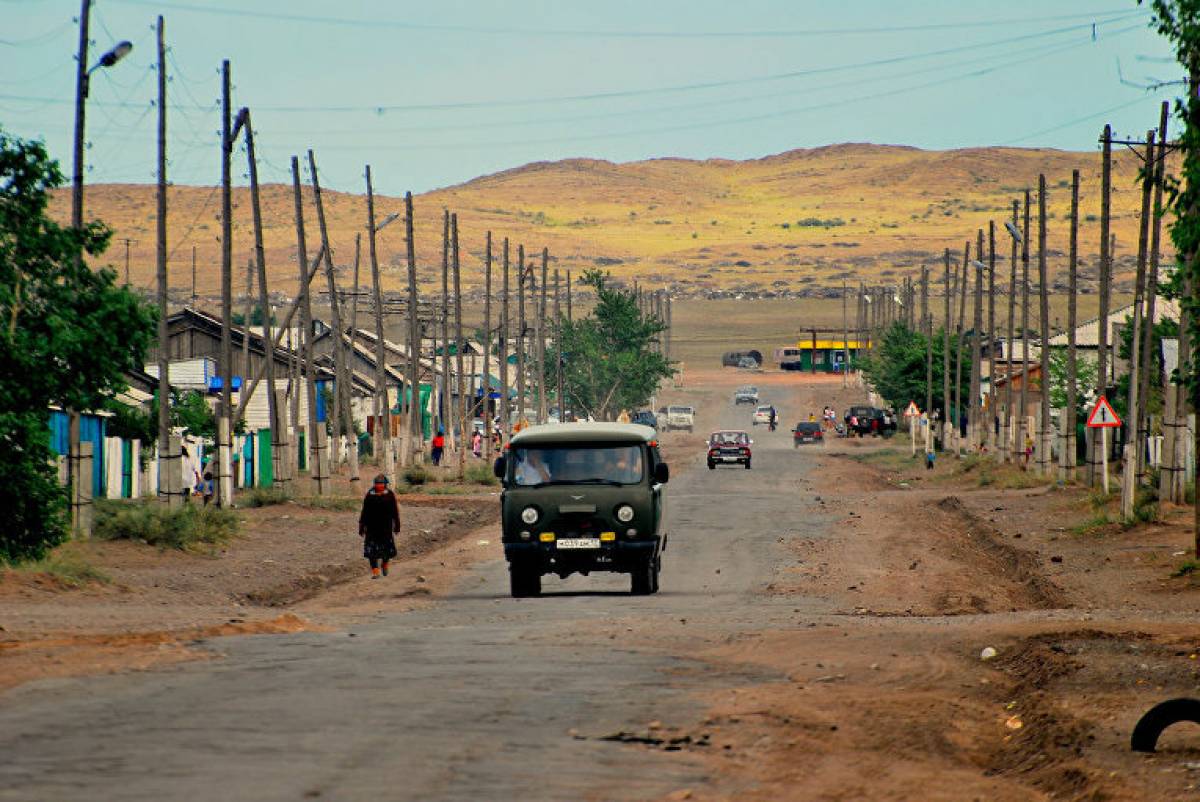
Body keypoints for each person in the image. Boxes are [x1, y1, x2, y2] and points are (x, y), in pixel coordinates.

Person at [359, 474, 400, 579]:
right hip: (371, 528)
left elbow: (395, 511)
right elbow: (365, 511)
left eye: (381, 484)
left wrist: (397, 525)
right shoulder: (370, 495)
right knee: (371, 552)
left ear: (385, 484)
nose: (379, 485)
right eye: (377, 483)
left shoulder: (389, 495)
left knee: (386, 550)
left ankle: (385, 564)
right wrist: (361, 526)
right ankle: (375, 571)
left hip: (386, 528)